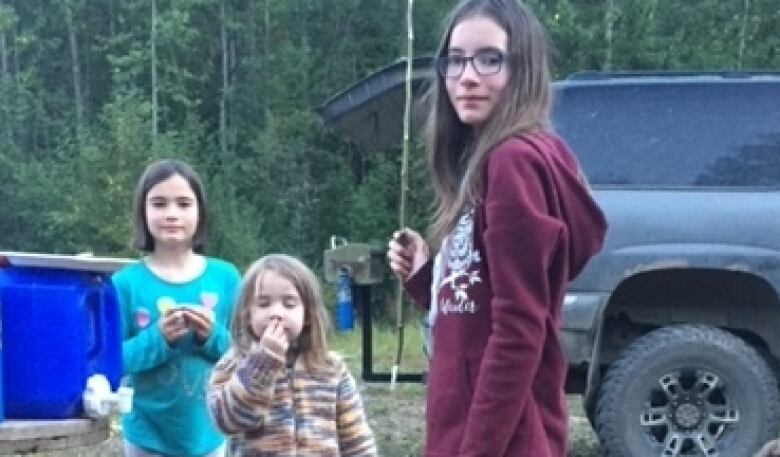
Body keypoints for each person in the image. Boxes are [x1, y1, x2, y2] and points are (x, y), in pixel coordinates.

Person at [386, 0, 608, 455]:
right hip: (475, 430)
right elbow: (478, 312)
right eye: (456, 59)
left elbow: (519, 328)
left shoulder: (512, 163)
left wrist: (477, 449)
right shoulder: (483, 166)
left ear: (522, 67)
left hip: (502, 439)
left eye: (490, 59)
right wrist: (428, 278)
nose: (467, 76)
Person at [113, 159, 241, 457]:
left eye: (184, 204)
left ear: (200, 213)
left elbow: (244, 356)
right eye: (159, 204)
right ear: (143, 212)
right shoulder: (124, 284)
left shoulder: (226, 278)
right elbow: (111, 363)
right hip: (146, 436)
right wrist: (158, 340)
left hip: (212, 432)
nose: (171, 214)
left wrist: (209, 337)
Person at [207, 254, 377, 456]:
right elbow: (229, 422)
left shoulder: (330, 367)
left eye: (289, 304)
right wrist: (262, 365)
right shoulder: (233, 363)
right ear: (247, 313)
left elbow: (355, 438)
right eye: (263, 304)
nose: (276, 313)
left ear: (307, 314)